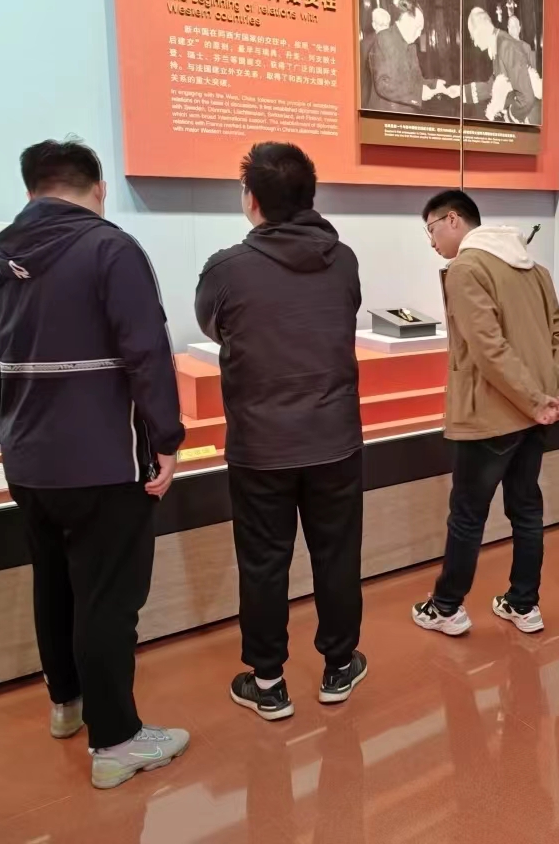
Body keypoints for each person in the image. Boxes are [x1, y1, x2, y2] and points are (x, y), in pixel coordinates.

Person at [0, 140, 188, 789]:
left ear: (31, 189)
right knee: (108, 598)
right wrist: (166, 438)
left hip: (27, 461)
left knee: (54, 582)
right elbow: (147, 352)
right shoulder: (111, 249)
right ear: (97, 189)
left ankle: (66, 704)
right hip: (103, 461)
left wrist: (7, 432)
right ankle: (117, 740)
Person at [195, 143, 367, 719]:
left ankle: (268, 682)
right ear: (310, 195)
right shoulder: (343, 260)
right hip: (334, 439)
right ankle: (339, 665)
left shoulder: (226, 269)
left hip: (261, 444)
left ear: (252, 199)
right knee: (337, 554)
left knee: (264, 562)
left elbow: (215, 326)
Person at [412, 190, 559, 636]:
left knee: (468, 514)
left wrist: (538, 400)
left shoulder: (466, 268)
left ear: (452, 220)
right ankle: (524, 604)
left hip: (490, 415)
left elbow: (488, 349)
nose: (431, 242)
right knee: (526, 509)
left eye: (431, 229)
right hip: (536, 413)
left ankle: (446, 607)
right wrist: (558, 395)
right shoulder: (534, 269)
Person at [366, 0, 449, 113]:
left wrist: (433, 84)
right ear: (406, 20)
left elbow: (416, 81)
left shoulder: (411, 46)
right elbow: (384, 84)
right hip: (388, 116)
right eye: (418, 27)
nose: (419, 34)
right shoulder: (385, 38)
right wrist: (418, 93)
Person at [464, 7, 541, 125]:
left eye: (474, 37)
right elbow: (494, 84)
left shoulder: (506, 46)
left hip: (528, 118)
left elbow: (527, 98)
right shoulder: (498, 43)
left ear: (481, 29)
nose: (474, 43)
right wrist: (462, 92)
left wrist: (509, 116)